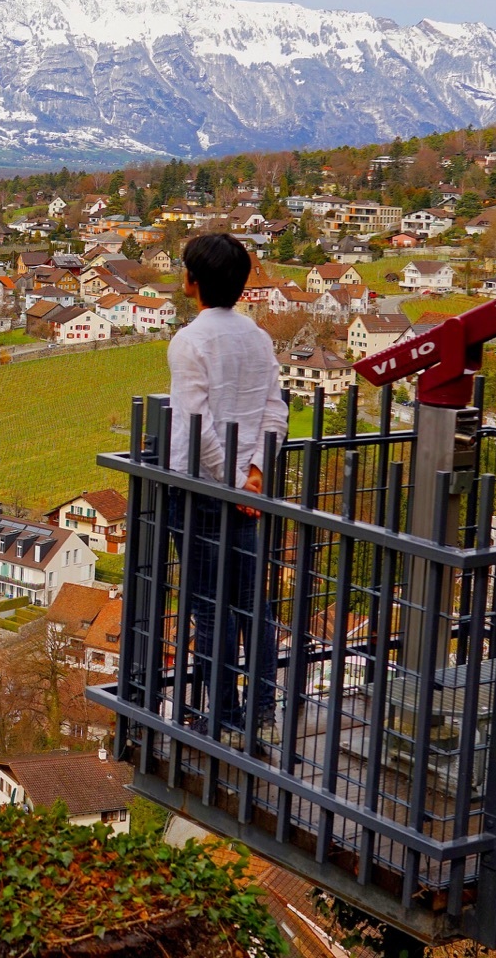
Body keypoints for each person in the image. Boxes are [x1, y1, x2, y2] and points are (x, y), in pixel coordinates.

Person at [166, 232, 288, 739]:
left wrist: (236, 481)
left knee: (206, 607)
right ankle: (263, 713)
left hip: (199, 490)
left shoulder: (190, 342)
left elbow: (196, 428)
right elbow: (274, 410)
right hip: (250, 495)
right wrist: (255, 473)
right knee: (251, 604)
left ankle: (224, 717)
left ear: (192, 282)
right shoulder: (258, 337)